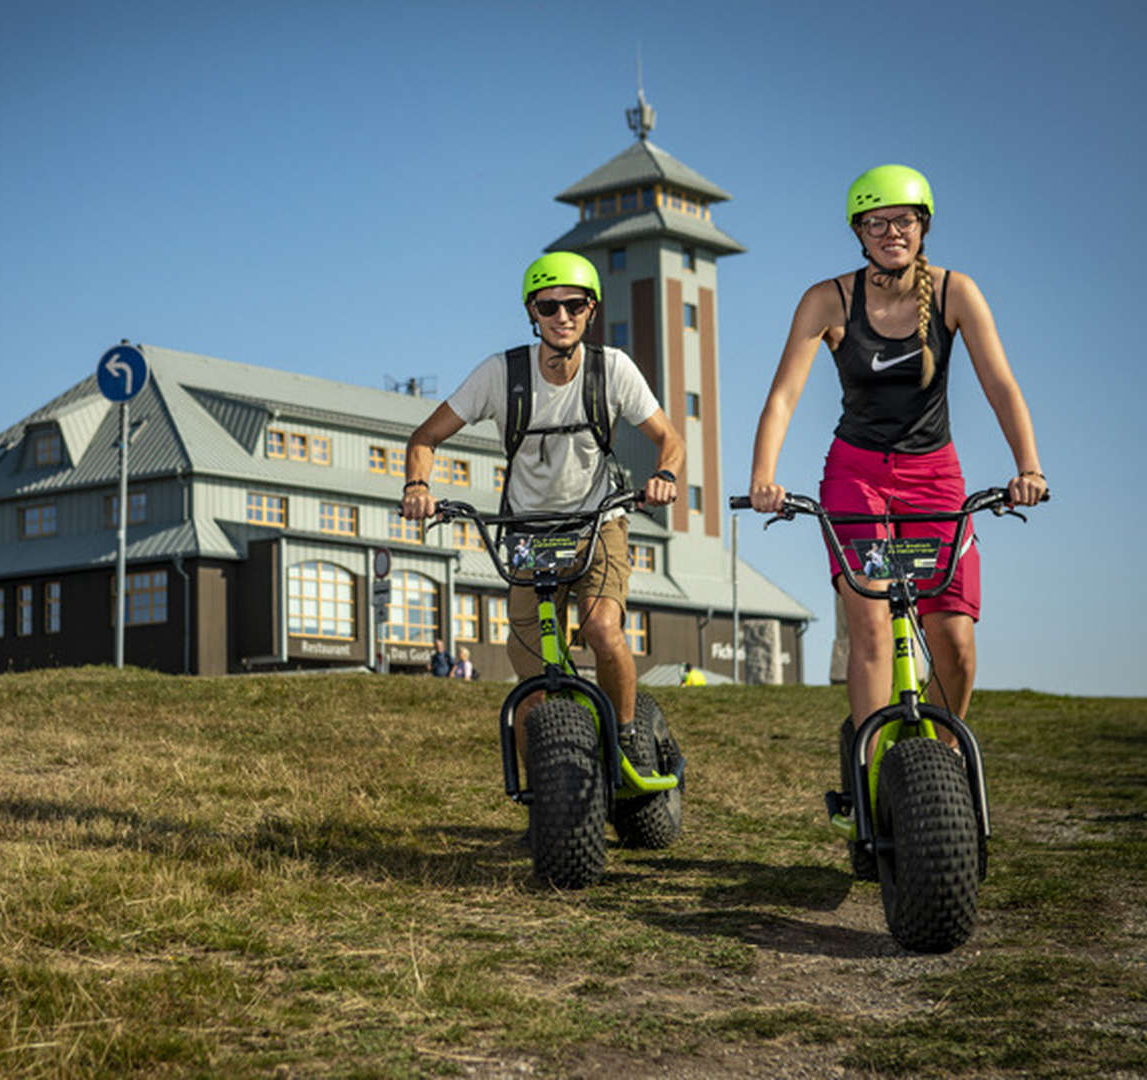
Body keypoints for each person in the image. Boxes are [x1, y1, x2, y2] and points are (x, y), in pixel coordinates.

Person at [746, 164, 1048, 748]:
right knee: (872, 630)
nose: (891, 233)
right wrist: (764, 476)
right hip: (856, 476)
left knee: (954, 640)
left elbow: (1000, 385)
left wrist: (1027, 466)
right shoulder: (827, 300)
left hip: (934, 475)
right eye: (875, 222)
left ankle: (937, 753)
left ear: (923, 225)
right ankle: (870, 772)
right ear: (858, 232)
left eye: (903, 220)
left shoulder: (957, 291)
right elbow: (783, 396)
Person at [401, 250, 685, 769]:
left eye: (574, 305)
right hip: (527, 532)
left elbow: (670, 438)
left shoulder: (612, 369)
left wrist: (664, 475)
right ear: (532, 312)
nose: (562, 317)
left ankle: (626, 737)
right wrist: (418, 484)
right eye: (548, 306)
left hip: (598, 521)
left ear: (591, 310)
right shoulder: (500, 374)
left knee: (602, 629)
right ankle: (541, 804)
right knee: (532, 688)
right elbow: (425, 437)